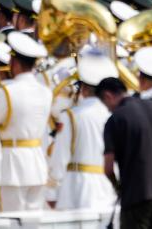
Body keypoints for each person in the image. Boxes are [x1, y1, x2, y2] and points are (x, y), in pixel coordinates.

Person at [0, 32, 52, 211]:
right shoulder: (46, 91)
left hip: (12, 166)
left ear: (14, 63)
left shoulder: (7, 92)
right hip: (37, 164)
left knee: (9, 221)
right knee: (33, 223)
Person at [101, 76, 152, 229]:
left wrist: (118, 186)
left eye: (106, 105)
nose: (108, 109)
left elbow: (108, 167)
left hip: (136, 195)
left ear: (108, 96)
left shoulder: (116, 119)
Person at [48, 53, 115, 212]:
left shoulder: (70, 116)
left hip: (76, 189)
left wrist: (51, 192)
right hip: (106, 188)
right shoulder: (112, 115)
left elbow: (60, 157)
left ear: (83, 89)